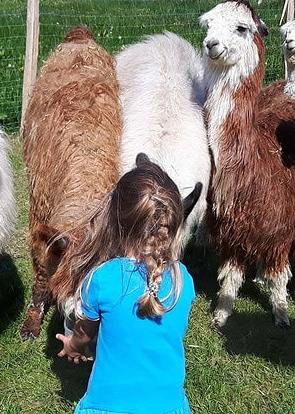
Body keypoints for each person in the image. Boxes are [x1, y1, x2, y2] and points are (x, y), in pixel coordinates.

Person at [54, 153, 200, 414]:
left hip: (107, 407)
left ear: (116, 219)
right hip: (170, 407)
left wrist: (72, 346)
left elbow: (83, 334)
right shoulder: (183, 281)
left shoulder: (102, 279)